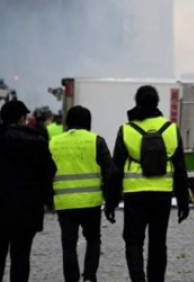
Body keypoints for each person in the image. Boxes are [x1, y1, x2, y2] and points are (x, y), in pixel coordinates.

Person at [106, 85, 190, 282]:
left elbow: (115, 170)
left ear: (137, 102)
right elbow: (180, 168)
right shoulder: (170, 129)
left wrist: (110, 202)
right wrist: (184, 202)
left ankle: (138, 279)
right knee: (158, 242)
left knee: (133, 241)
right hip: (162, 193)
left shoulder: (126, 130)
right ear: (157, 102)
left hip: (134, 194)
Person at [49, 106, 113, 282]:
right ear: (89, 123)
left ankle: (71, 279)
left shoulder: (54, 142)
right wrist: (110, 201)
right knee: (93, 240)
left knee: (68, 245)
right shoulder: (96, 141)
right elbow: (109, 173)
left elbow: (45, 172)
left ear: (68, 122)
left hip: (64, 202)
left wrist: (48, 200)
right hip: (91, 203)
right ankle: (89, 277)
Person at [0, 100, 56, 282]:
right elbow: (50, 169)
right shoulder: (37, 141)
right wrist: (48, 200)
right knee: (21, 256)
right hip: (27, 209)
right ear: (23, 118)